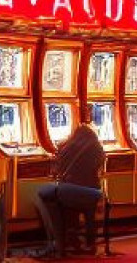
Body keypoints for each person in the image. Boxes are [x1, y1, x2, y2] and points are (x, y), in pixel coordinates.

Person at [31, 108, 105, 259]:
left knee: (63, 208)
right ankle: (89, 243)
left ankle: (66, 242)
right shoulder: (97, 148)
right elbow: (99, 167)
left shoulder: (66, 147)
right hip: (90, 193)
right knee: (85, 212)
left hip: (68, 191)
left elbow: (58, 168)